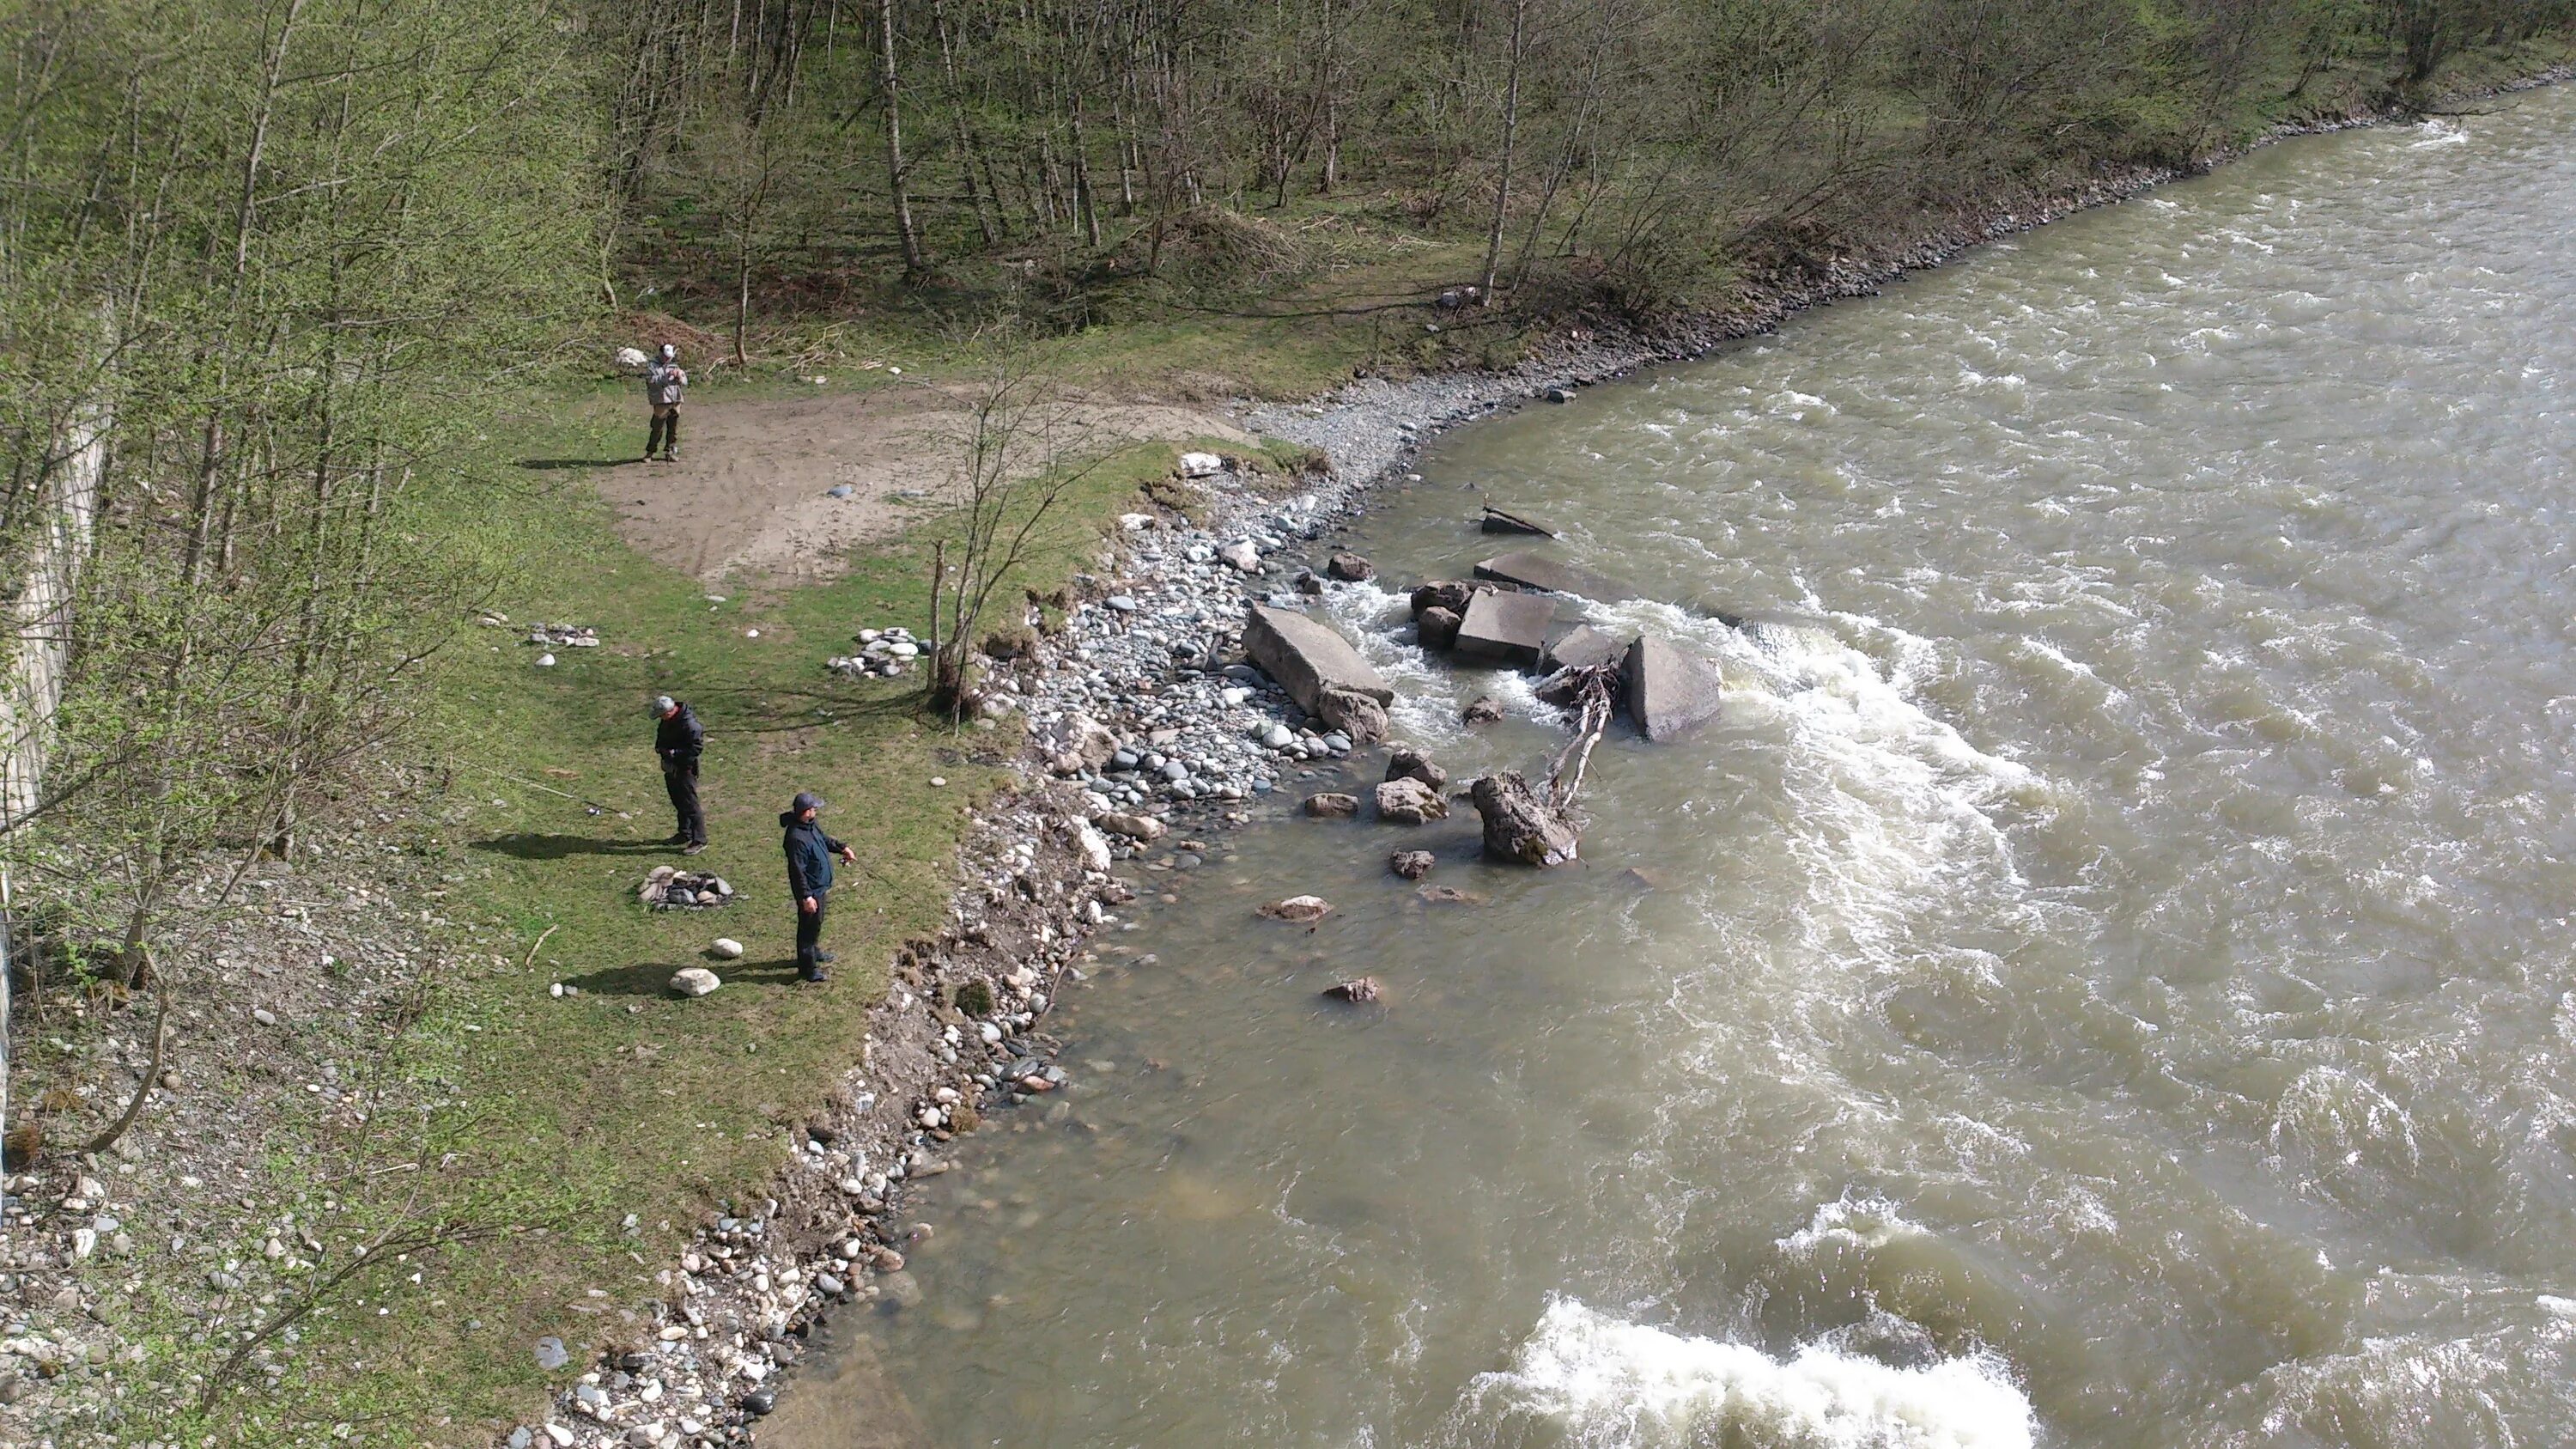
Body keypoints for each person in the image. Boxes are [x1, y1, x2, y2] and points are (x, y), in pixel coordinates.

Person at [781, 790, 857, 983]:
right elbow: (797, 872)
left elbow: (823, 840)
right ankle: (808, 968)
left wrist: (842, 848)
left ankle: (814, 952)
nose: (816, 811)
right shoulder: (796, 838)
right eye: (813, 808)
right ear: (805, 812)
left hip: (819, 888)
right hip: (811, 891)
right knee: (807, 929)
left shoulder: (810, 826)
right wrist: (806, 897)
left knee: (816, 924)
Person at [652, 695, 706, 854]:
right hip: (671, 768)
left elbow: (696, 749)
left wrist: (675, 753)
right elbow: (661, 737)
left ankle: (700, 840)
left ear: (669, 712)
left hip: (685, 769)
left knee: (690, 805)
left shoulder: (690, 726)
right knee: (678, 802)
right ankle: (685, 833)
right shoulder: (667, 721)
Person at [643, 343, 688, 461]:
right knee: (657, 428)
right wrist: (666, 377)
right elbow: (651, 381)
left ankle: (671, 451)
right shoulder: (652, 366)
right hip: (661, 400)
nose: (668, 359)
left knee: (673, 429)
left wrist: (680, 377)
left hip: (675, 400)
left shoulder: (674, 365)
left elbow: (684, 382)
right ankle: (650, 452)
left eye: (669, 357)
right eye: (665, 356)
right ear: (660, 353)